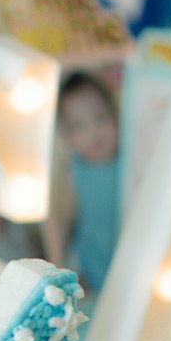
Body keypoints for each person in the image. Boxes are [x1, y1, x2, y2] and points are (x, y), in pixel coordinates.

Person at [45, 71, 121, 293]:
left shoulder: (129, 162)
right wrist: (61, 266)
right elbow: (60, 219)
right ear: (67, 136)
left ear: (116, 115)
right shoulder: (75, 172)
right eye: (79, 126)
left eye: (100, 118)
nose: (93, 132)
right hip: (92, 266)